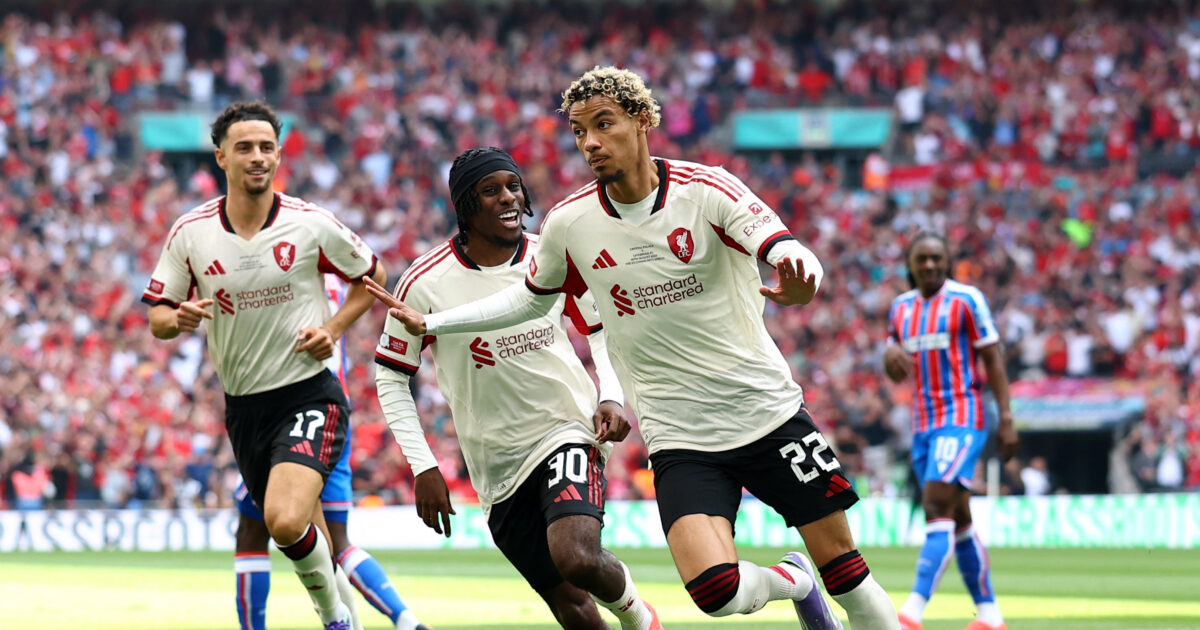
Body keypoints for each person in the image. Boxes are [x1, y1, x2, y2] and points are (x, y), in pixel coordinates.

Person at [365, 68, 897, 630]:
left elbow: (785, 247)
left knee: (847, 575)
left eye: (603, 124)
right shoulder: (570, 223)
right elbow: (527, 301)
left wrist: (802, 274)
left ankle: (819, 583)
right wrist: (433, 322)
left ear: (642, 121)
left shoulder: (706, 190)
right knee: (714, 591)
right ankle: (794, 582)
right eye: (579, 132)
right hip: (679, 436)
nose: (590, 142)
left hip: (766, 413)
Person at [368, 147, 662, 630]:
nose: (509, 197)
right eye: (491, 190)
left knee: (577, 557)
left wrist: (611, 393)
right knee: (571, 604)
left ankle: (643, 620)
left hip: (566, 429)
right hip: (496, 464)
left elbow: (601, 329)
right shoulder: (423, 282)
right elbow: (391, 374)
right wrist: (424, 465)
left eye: (513, 186)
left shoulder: (551, 256)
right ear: (465, 206)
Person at [144, 101, 385, 630]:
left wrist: (333, 329)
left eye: (266, 148)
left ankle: (334, 617)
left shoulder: (309, 222)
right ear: (221, 157)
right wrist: (176, 318)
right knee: (299, 529)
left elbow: (372, 276)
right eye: (245, 148)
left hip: (309, 393)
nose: (258, 157)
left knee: (284, 519)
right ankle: (346, 619)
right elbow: (157, 317)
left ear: (278, 156)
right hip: (245, 409)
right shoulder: (191, 233)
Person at [234, 277, 430, 630]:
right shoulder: (337, 279)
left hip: (289, 413)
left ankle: (328, 621)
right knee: (336, 541)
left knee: (253, 530)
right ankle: (405, 620)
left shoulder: (285, 274)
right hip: (334, 413)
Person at [883, 231, 1020, 630]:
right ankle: (990, 616)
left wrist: (1006, 417)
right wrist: (888, 353)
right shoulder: (901, 308)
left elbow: (993, 359)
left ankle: (911, 614)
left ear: (947, 262)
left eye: (936, 258)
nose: (930, 265)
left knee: (935, 504)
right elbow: (893, 355)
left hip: (961, 416)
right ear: (910, 265)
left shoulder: (966, 300)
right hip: (923, 423)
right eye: (922, 258)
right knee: (959, 518)